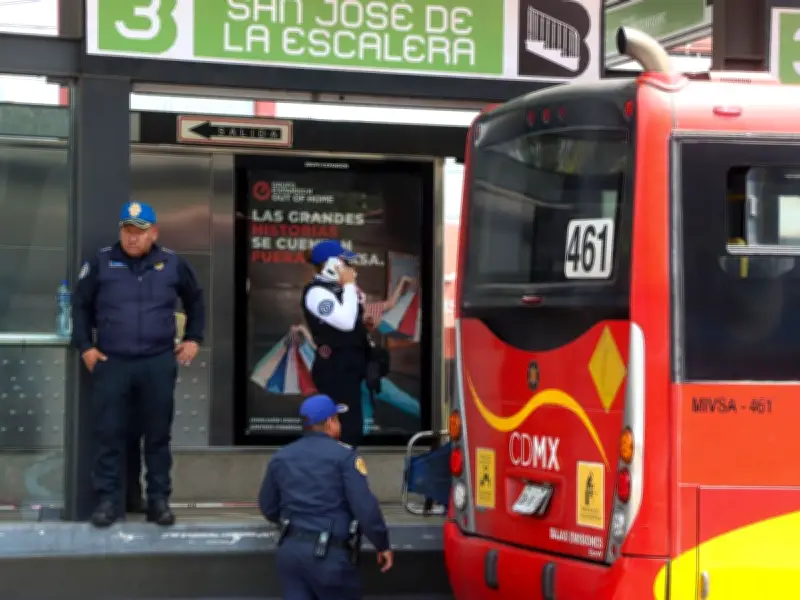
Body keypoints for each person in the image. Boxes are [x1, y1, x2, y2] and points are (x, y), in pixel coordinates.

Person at [72, 201, 205, 527]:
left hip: (157, 362)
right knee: (110, 433)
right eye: (127, 231)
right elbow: (80, 305)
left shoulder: (172, 263)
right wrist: (85, 347)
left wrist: (193, 338)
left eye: (140, 232)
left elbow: (196, 299)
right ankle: (108, 501)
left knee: (157, 435)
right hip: (113, 361)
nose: (132, 238)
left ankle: (158, 500)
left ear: (153, 233)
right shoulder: (101, 261)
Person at [258, 394, 393, 600]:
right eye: (337, 419)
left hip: (290, 553)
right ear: (330, 422)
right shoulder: (344, 456)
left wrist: (295, 524)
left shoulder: (282, 456)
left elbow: (268, 506)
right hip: (329, 557)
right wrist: (381, 544)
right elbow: (365, 507)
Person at [301, 240, 373, 447]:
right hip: (335, 369)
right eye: (345, 263)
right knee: (343, 430)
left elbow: (350, 323)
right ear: (332, 265)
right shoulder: (316, 292)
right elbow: (345, 322)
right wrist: (349, 285)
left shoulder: (337, 290)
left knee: (353, 426)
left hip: (350, 367)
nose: (351, 269)